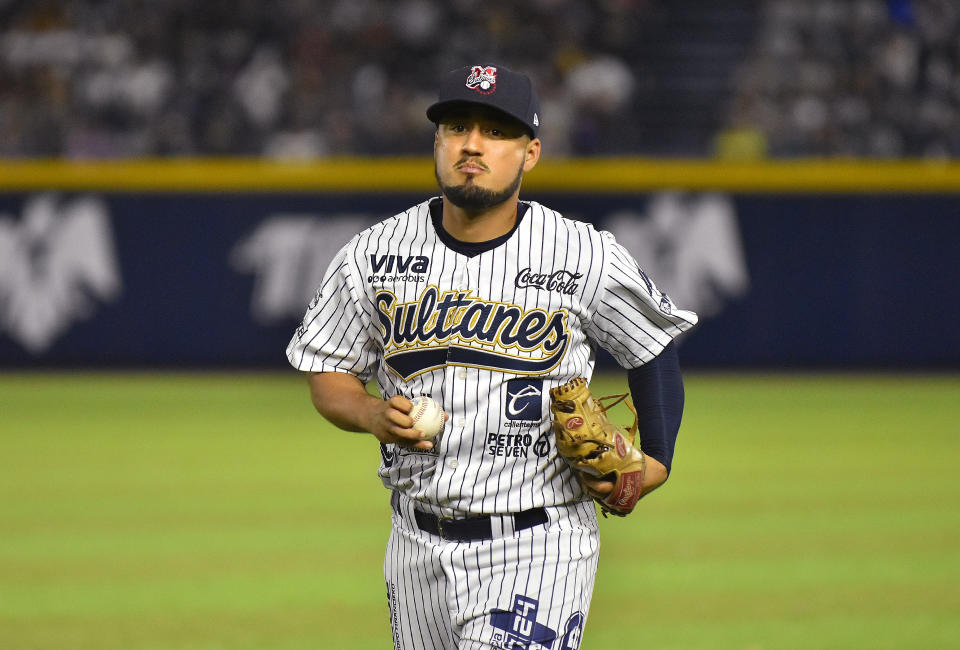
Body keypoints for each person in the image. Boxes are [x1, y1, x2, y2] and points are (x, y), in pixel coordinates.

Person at [286, 63, 697, 650]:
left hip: (538, 544)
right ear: (437, 141)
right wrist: (371, 414)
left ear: (530, 153)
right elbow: (328, 367)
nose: (472, 144)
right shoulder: (372, 254)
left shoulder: (582, 254)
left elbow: (653, 346)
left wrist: (657, 459)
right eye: (457, 126)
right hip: (414, 545)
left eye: (496, 131)